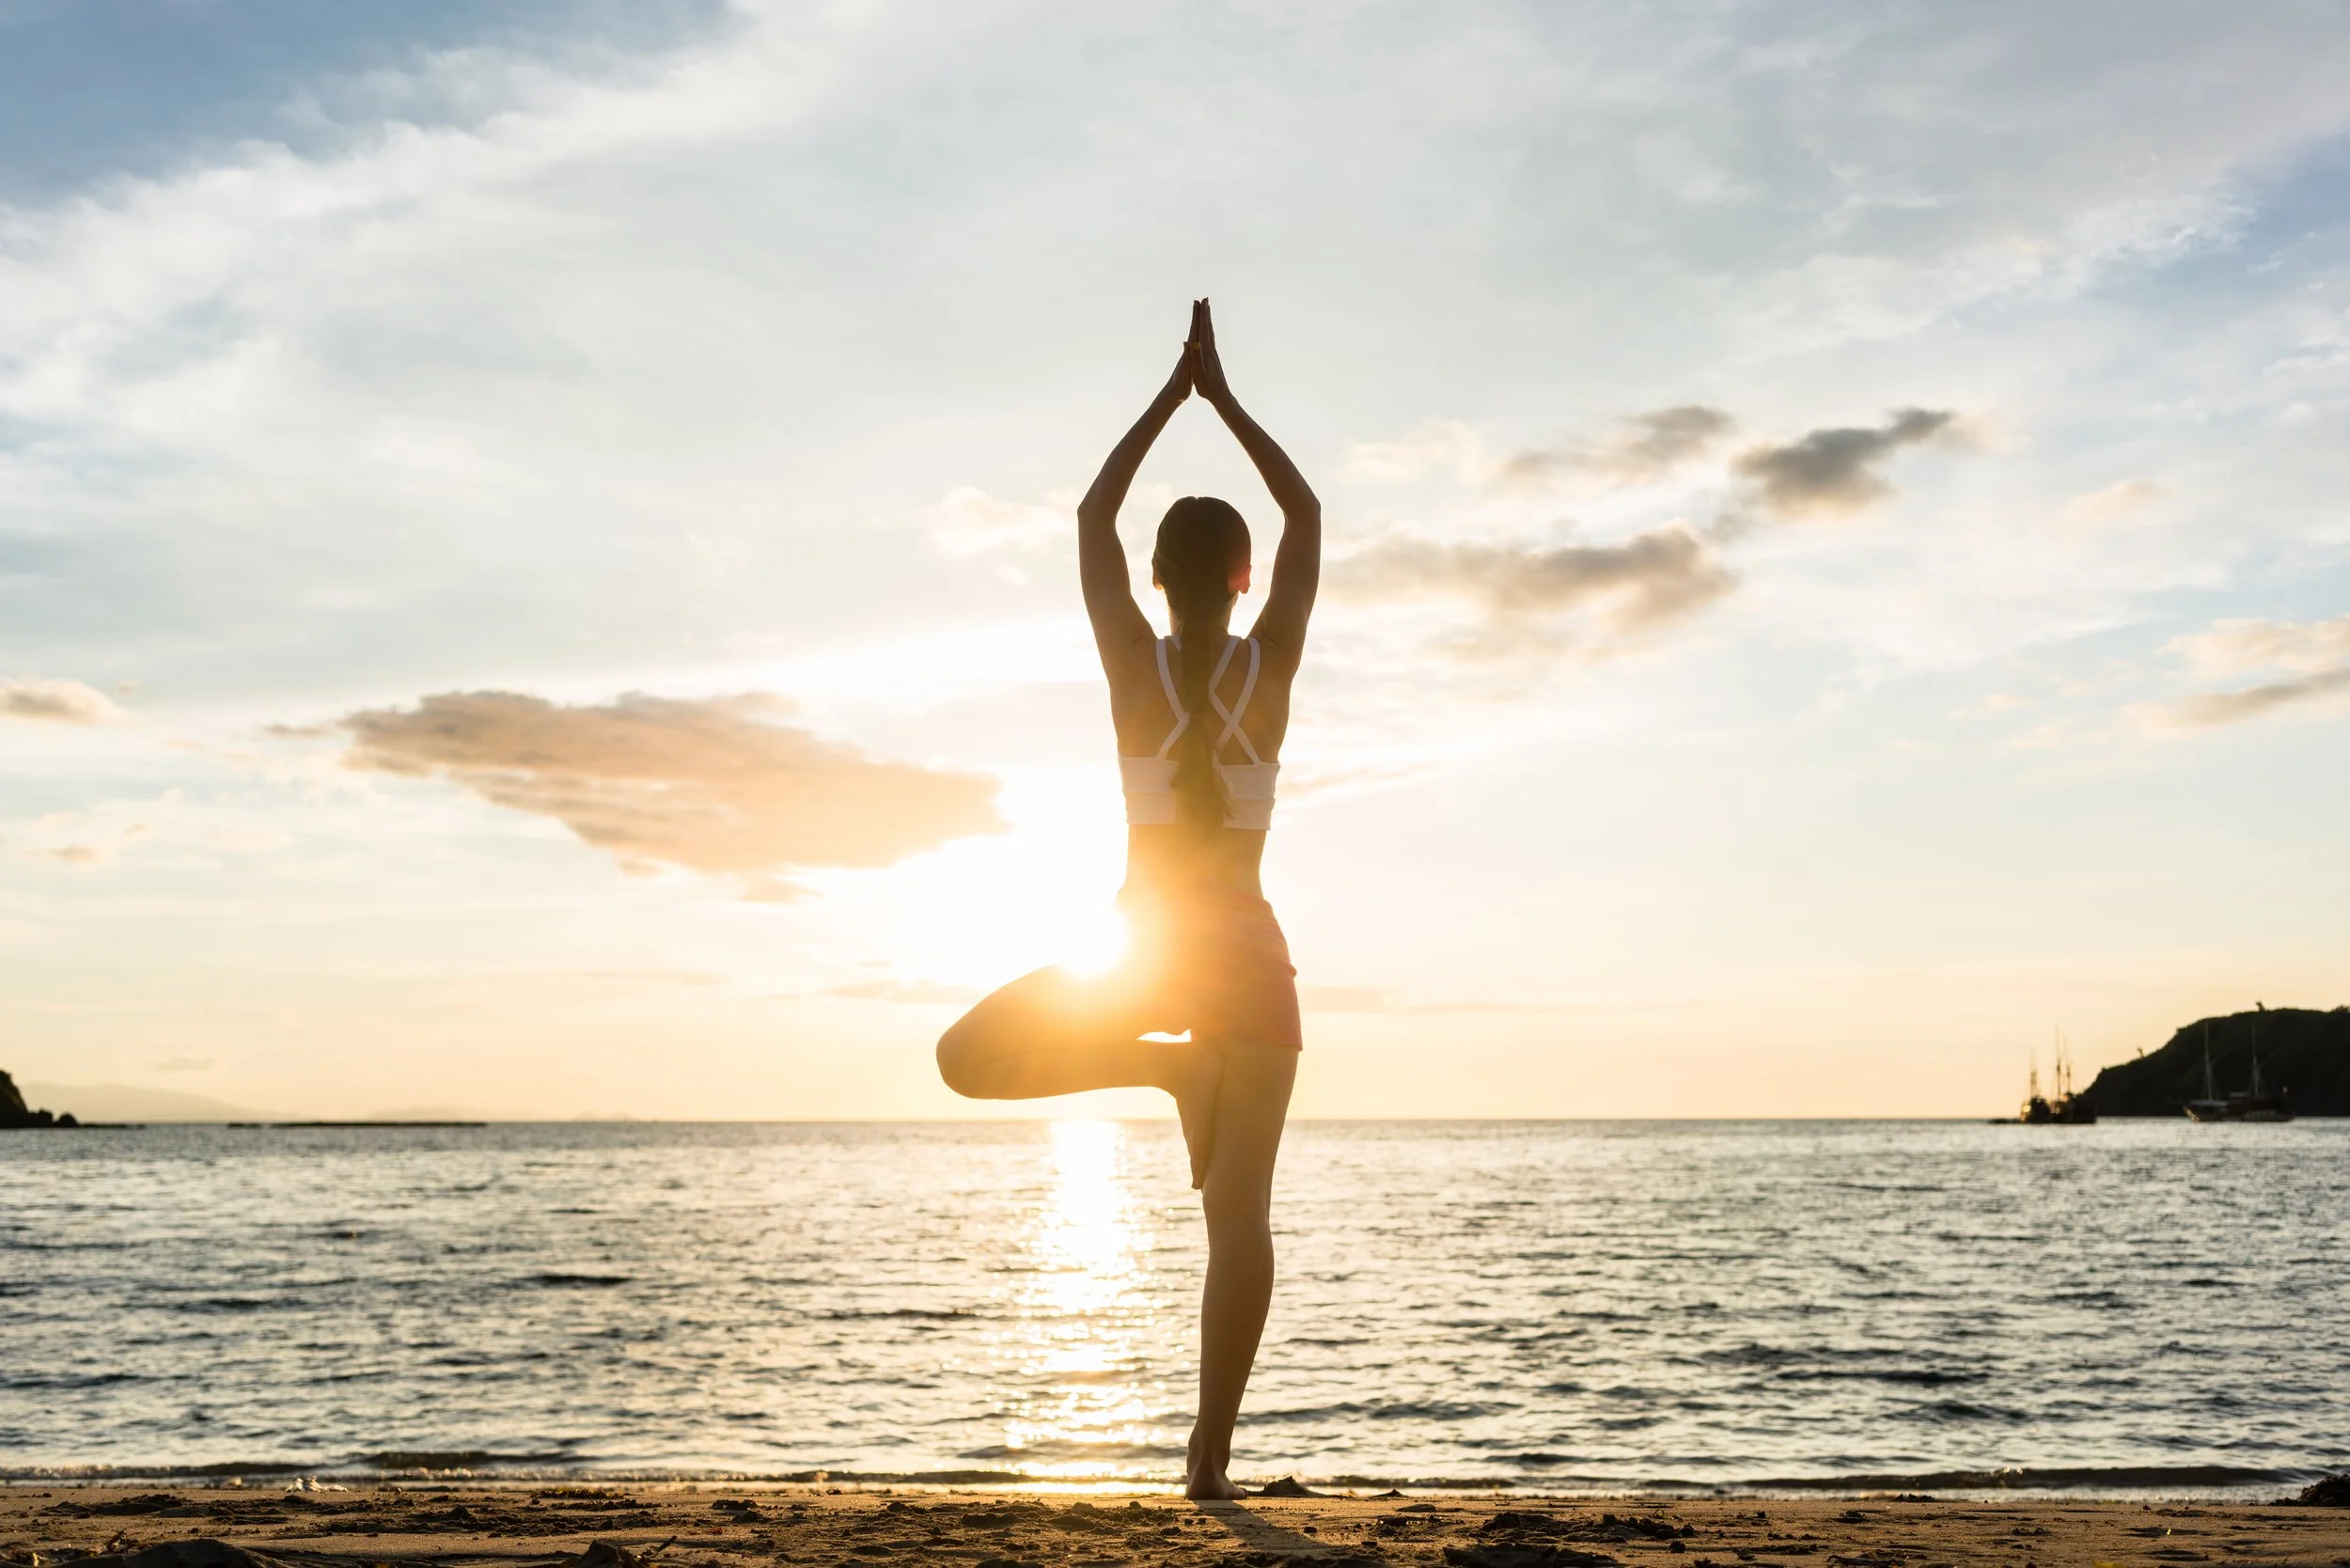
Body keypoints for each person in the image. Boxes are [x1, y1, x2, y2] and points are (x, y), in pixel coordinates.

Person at [935, 299, 1321, 1500]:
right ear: (1246, 577)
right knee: (1241, 1222)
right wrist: (1228, 399)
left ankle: (1160, 1068)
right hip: (1249, 952)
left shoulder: (1128, 662)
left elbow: (1094, 513)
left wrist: (1171, 395)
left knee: (966, 1058)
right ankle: (1208, 1460)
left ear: (1153, 580)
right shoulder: (1274, 658)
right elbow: (1307, 512)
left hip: (1140, 956)